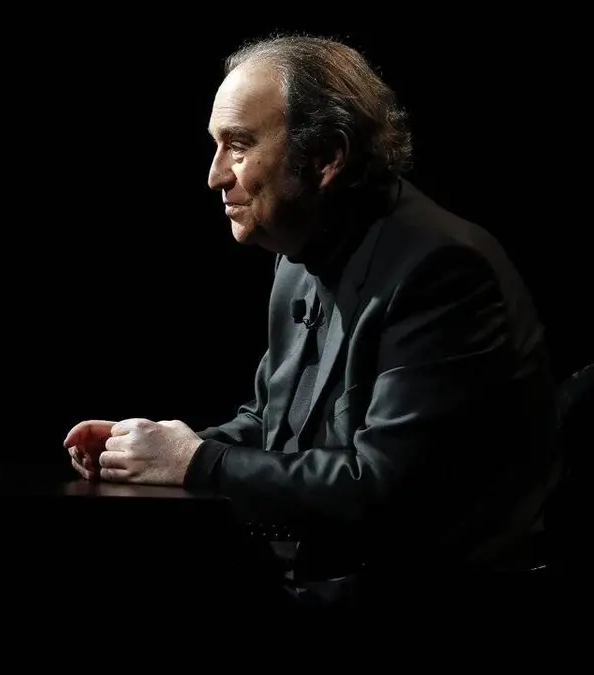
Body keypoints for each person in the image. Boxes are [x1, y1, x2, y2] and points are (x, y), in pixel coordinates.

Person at [64, 34, 559, 611]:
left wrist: (197, 463)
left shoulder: (442, 270)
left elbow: (381, 487)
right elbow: (272, 423)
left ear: (326, 157)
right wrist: (150, 451)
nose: (215, 176)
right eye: (216, 146)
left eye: (239, 146)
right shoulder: (298, 256)